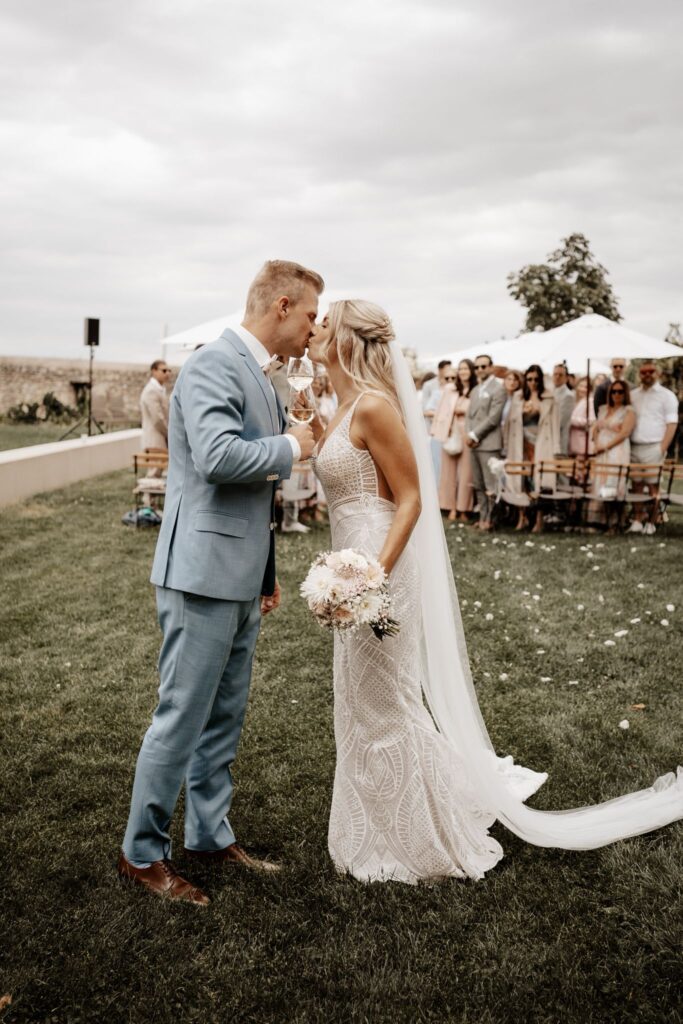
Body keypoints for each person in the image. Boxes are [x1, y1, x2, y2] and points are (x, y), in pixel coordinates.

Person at [307, 299, 683, 885]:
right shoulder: (343, 407)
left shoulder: (376, 406)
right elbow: (339, 469)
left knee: (387, 700)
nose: (313, 330)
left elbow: (411, 498)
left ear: (347, 341)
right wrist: (308, 421)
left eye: (324, 323)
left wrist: (371, 574)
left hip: (380, 568)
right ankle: (375, 822)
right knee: (359, 699)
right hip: (348, 569)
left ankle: (420, 837)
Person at [119, 260, 322, 904]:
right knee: (182, 715)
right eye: (311, 314)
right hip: (200, 572)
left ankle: (209, 834)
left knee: (224, 719)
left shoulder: (264, 374)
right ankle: (141, 852)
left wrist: (265, 573)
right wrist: (295, 446)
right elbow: (217, 458)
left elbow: (256, 494)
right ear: (282, 305)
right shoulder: (213, 363)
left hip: (239, 575)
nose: (314, 328)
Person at [627, 363, 679, 534]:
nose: (647, 374)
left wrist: (662, 448)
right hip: (635, 446)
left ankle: (652, 521)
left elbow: (672, 424)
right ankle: (637, 519)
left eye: (651, 371)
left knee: (653, 487)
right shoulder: (633, 395)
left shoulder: (667, 396)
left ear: (658, 373)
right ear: (639, 374)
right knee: (636, 485)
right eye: (643, 372)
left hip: (654, 447)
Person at [464, 355, 506, 531]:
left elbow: (494, 418)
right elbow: (469, 415)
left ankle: (491, 520)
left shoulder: (499, 388)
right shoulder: (475, 390)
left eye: (483, 366)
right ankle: (482, 517)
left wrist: (475, 435)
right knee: (478, 484)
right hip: (473, 443)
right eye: (477, 367)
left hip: (489, 443)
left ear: (491, 367)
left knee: (490, 484)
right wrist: (468, 434)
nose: (480, 370)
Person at [588, 380, 635, 531]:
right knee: (600, 482)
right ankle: (600, 521)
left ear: (625, 393)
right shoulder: (603, 409)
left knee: (613, 482)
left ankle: (615, 522)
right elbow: (596, 428)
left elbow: (624, 433)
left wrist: (606, 447)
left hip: (617, 450)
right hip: (601, 450)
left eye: (620, 391)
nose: (616, 394)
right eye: (614, 391)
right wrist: (596, 444)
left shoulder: (629, 411)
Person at [431, 360, 475, 522]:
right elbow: (441, 411)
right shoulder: (450, 389)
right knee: (448, 472)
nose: (463, 371)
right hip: (450, 431)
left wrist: (465, 411)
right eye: (460, 369)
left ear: (471, 371)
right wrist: (439, 429)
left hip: (467, 432)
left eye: (466, 368)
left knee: (465, 473)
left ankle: (464, 508)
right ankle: (450, 507)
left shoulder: (475, 390)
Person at [522, 365, 557, 533]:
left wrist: (556, 448)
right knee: (524, 480)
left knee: (540, 481)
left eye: (536, 379)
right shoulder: (520, 397)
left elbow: (555, 423)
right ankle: (522, 517)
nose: (533, 382)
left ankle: (539, 519)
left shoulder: (548, 398)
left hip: (542, 442)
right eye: (529, 379)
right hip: (523, 442)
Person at [500, 370, 526, 528]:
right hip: (501, 440)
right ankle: (507, 512)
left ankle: (519, 514)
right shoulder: (502, 397)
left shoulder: (520, 399)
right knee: (503, 479)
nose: (512, 382)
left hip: (514, 442)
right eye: (509, 379)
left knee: (515, 479)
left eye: (515, 380)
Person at [422, 360, 451, 485]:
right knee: (436, 461)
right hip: (433, 428)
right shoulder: (430, 386)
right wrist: (445, 415)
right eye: (446, 369)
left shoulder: (453, 386)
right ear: (440, 370)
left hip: (449, 431)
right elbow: (425, 409)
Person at [140, 360, 171, 452]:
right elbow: (157, 419)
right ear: (154, 371)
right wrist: (170, 433)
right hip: (155, 442)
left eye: (169, 371)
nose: (167, 373)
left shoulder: (159, 389)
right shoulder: (151, 390)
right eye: (164, 371)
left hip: (160, 441)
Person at [551, 362, 574, 457]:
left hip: (559, 443)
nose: (557, 377)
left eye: (560, 375)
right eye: (555, 374)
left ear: (566, 378)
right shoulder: (550, 391)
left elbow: (560, 422)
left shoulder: (568, 396)